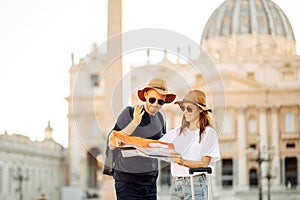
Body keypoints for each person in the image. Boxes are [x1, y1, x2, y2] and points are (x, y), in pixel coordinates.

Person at [109, 77, 176, 200]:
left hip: (150, 182)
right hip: (127, 181)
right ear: (145, 95)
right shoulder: (129, 112)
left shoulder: (161, 118)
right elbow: (112, 142)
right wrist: (135, 122)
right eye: (152, 99)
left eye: (160, 102)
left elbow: (161, 145)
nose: (156, 104)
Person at [160, 90, 220, 200]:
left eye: (189, 109)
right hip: (176, 185)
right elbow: (154, 145)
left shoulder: (208, 133)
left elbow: (204, 163)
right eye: (183, 108)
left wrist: (182, 162)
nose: (185, 112)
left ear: (201, 110)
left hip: (196, 183)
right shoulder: (176, 132)